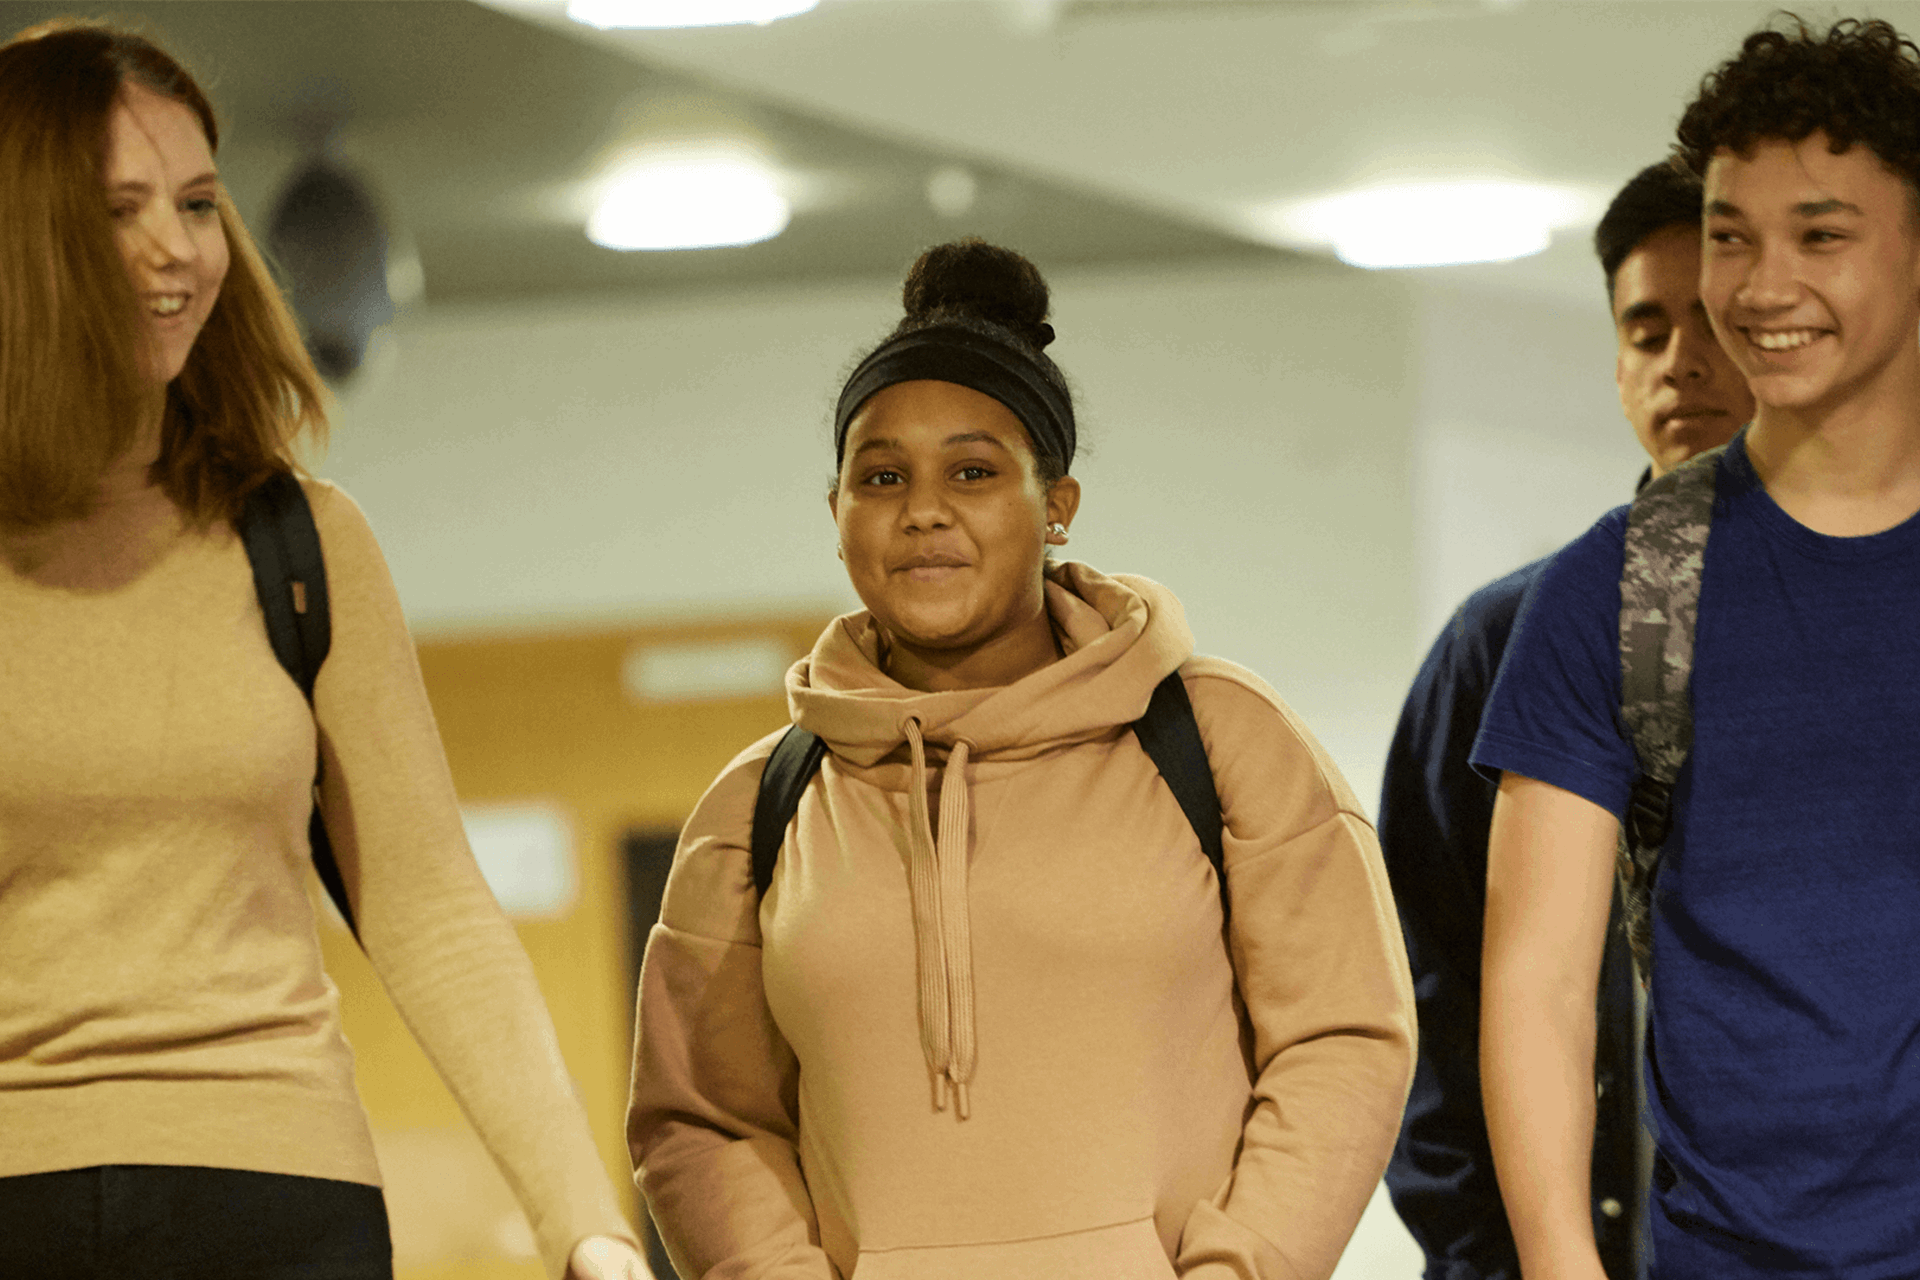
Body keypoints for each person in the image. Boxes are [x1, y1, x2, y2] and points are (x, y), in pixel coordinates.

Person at [627, 238, 1415, 1280]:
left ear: (1056, 505)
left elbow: (1342, 1039)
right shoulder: (761, 804)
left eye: (972, 470)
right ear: (838, 515)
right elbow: (703, 1117)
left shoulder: (1218, 739)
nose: (924, 509)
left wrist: (1240, 1269)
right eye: (881, 475)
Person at [0, 21, 645, 1280]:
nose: (177, 247)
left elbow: (430, 903)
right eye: (119, 208)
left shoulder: (299, 539)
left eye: (196, 201)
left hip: (278, 1200)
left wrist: (588, 1222)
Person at [1477, 17, 1920, 1279]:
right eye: (1733, 234)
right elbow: (1538, 994)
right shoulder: (1613, 590)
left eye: (1820, 235)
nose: (1762, 285)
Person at [1378, 162, 1753, 1280]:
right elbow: (1419, 988)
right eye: (1646, 328)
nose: (1681, 360)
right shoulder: (1508, 640)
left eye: (1714, 323)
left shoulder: (1865, 614)